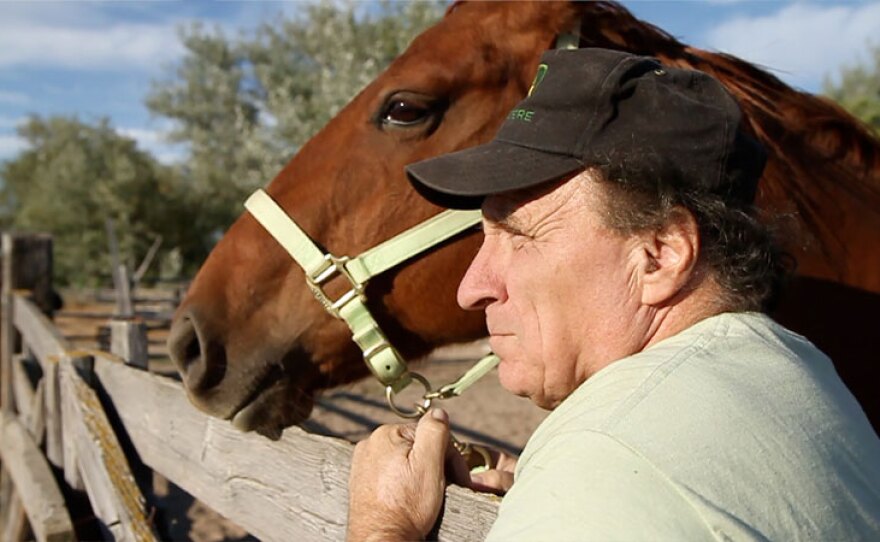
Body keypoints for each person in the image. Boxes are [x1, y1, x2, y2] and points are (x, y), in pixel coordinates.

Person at [347, 48, 880, 541]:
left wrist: (383, 525)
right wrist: (550, 495)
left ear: (660, 255)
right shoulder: (802, 374)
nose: (472, 289)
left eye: (520, 235)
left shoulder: (605, 456)